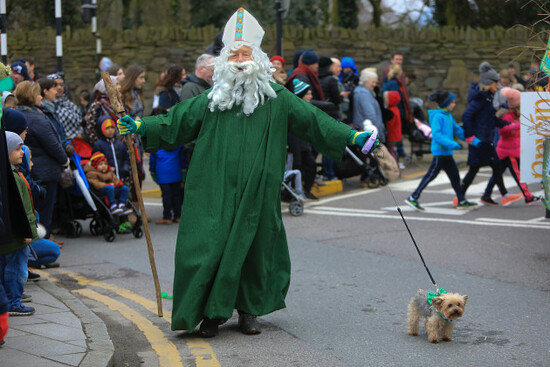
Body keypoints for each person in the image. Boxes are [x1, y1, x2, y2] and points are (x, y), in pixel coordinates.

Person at [117, 7, 377, 338]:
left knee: (255, 250)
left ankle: (248, 311)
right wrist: (140, 125)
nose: (241, 59)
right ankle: (211, 313)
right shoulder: (214, 98)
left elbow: (314, 122)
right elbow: (176, 120)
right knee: (210, 247)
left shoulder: (277, 97)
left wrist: (353, 136)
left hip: (258, 188)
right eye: (235, 54)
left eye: (246, 53)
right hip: (214, 188)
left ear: (258, 58)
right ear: (226, 60)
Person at [458, 62, 523, 207]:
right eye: (496, 82)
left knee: (496, 166)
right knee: (475, 169)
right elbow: (466, 115)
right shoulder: (480, 99)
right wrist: (469, 136)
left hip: (486, 139)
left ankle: (499, 195)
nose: (498, 85)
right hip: (479, 140)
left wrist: (507, 124)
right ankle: (460, 196)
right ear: (489, 83)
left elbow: (491, 118)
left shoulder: (487, 98)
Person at [15, 80, 70, 242]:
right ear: (32, 96)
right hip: (45, 171)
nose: (41, 97)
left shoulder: (17, 113)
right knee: (44, 211)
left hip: (29, 169)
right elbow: (53, 144)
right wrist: (64, 161)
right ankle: (43, 244)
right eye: (38, 94)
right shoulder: (36, 117)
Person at [405, 91, 477, 211]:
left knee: (454, 177)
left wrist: (472, 140)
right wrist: (453, 144)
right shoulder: (438, 116)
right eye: (453, 102)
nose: (454, 104)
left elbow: (457, 130)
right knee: (431, 176)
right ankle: (413, 197)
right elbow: (437, 136)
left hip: (446, 152)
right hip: (440, 152)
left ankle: (461, 200)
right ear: (447, 103)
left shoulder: (447, 115)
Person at [1, 131, 38, 316]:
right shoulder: (12, 178)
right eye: (17, 149)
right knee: (17, 270)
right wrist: (26, 230)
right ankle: (13, 302)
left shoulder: (12, 174)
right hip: (18, 235)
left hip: (11, 233)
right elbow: (20, 209)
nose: (22, 152)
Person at [488, 87, 541, 205]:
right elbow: (503, 131)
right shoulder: (507, 116)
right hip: (509, 150)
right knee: (519, 175)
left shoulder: (514, 114)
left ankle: (486, 194)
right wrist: (518, 126)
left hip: (507, 149)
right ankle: (528, 196)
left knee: (497, 174)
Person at [286, 79, 318, 198]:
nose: (311, 96)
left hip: (305, 144)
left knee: (311, 166)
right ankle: (290, 193)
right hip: (294, 143)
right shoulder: (294, 108)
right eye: (308, 94)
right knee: (296, 167)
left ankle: (306, 189)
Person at [149, 138, 187, 224]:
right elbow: (183, 160)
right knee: (177, 196)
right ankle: (178, 216)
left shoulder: (156, 145)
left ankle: (167, 217)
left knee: (166, 196)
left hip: (162, 175)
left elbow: (152, 162)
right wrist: (183, 176)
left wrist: (153, 174)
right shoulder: (178, 144)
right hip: (176, 174)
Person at [353, 69, 387, 144]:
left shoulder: (362, 92)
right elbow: (370, 114)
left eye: (375, 82)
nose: (374, 85)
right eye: (373, 82)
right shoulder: (364, 94)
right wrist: (378, 134)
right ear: (365, 81)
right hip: (369, 132)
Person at [92, 116, 130, 181]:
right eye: (107, 128)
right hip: (107, 180)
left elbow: (126, 159)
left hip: (121, 178)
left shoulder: (120, 144)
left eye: (112, 127)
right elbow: (96, 162)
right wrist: (108, 169)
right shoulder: (98, 145)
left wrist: (125, 170)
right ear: (101, 129)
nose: (110, 130)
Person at [47, 74, 84, 140]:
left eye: (61, 85)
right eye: (55, 85)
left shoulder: (69, 105)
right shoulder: (47, 107)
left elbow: (80, 124)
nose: (59, 88)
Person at [84, 75, 119, 144]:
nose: (119, 87)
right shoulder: (97, 105)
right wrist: (100, 145)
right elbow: (90, 129)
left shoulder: (119, 103)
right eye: (116, 84)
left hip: (120, 146)